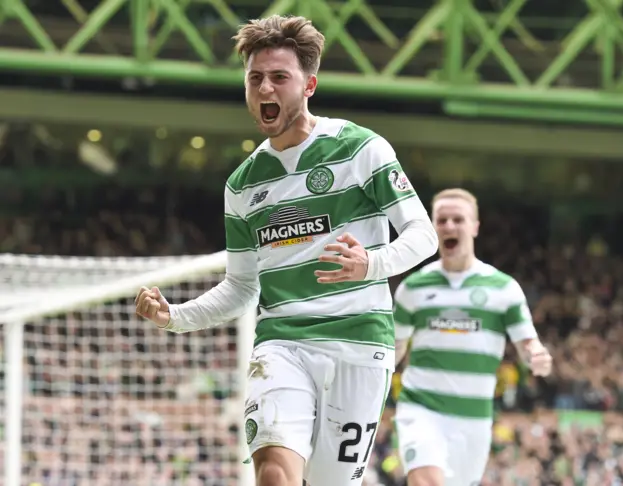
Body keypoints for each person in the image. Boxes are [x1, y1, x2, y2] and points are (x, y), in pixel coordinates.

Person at [134, 14, 438, 486]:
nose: (265, 89)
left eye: (279, 77)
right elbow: (239, 287)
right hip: (283, 345)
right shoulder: (242, 185)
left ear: (309, 84)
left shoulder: (360, 149)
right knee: (274, 472)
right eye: (255, 79)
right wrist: (174, 316)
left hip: (359, 345)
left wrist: (371, 264)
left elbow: (423, 234)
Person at [392, 188, 553, 486]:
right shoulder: (413, 288)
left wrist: (537, 357)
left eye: (458, 219)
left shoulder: (503, 288)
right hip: (421, 408)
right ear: (432, 226)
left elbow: (527, 342)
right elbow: (395, 348)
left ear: (474, 226)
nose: (450, 226)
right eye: (441, 220)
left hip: (474, 419)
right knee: (426, 481)